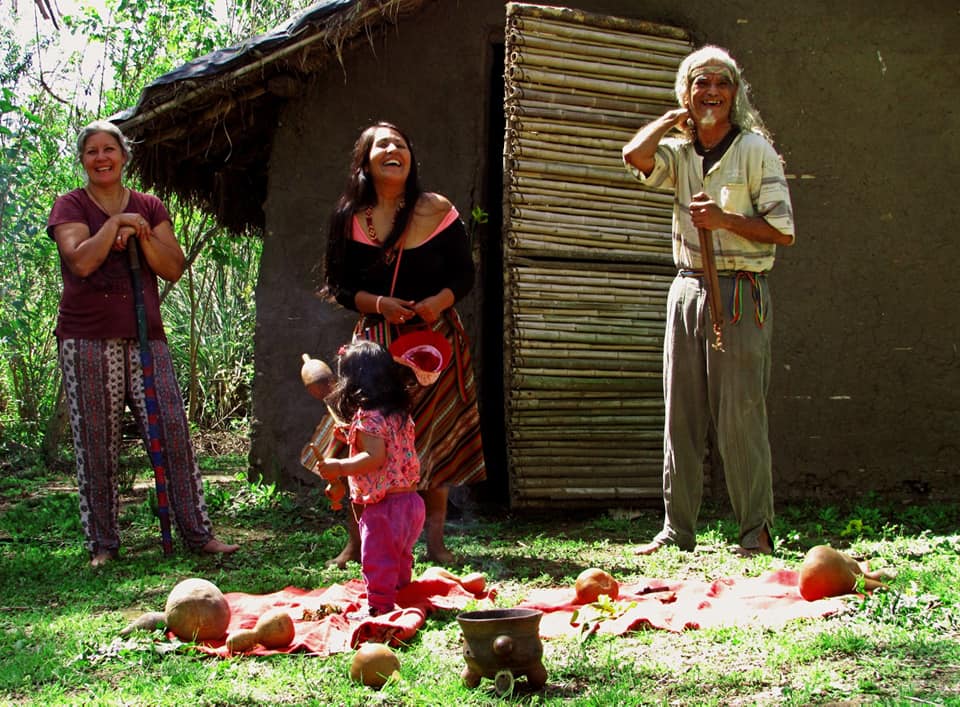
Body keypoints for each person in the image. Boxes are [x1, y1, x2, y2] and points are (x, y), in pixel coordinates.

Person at [621, 46, 795, 556]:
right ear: (687, 92)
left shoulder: (755, 150)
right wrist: (670, 120)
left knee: (740, 414)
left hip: (739, 291)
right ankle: (677, 530)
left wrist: (724, 221)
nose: (711, 91)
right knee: (682, 414)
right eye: (701, 82)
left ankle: (755, 533)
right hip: (688, 288)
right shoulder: (680, 154)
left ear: (735, 93)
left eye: (721, 82)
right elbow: (635, 157)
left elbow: (782, 231)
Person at [47, 120, 239, 567]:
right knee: (96, 442)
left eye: (109, 149)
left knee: (173, 433)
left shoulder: (149, 206)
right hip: (87, 338)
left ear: (123, 156)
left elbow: (172, 267)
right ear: (83, 160)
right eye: (92, 151)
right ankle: (103, 544)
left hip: (146, 338)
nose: (101, 158)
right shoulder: (71, 205)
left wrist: (141, 231)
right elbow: (81, 261)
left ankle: (198, 533)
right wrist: (114, 224)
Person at [301, 121, 486, 566]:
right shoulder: (348, 216)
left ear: (410, 158)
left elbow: (464, 275)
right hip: (374, 345)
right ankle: (357, 543)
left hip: (433, 343)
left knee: (434, 439)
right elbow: (339, 286)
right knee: (360, 436)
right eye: (381, 144)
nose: (393, 149)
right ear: (365, 161)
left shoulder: (436, 209)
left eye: (400, 144)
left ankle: (436, 544)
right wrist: (380, 304)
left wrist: (437, 302)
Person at [311, 340, 425, 616]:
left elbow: (374, 457)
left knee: (378, 559)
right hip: (411, 504)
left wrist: (339, 466)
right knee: (399, 556)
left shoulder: (368, 418)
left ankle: (379, 606)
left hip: (385, 509)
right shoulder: (398, 414)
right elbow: (387, 445)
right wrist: (352, 435)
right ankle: (400, 591)